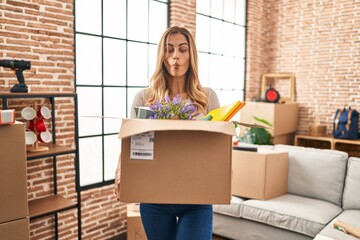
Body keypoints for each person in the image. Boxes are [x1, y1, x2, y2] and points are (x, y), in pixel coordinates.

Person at [114, 25, 220, 240]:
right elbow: (131, 141)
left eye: (182, 49)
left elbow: (217, 145)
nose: (175, 57)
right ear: (162, 55)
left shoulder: (207, 98)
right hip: (154, 198)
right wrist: (120, 171)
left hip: (196, 197)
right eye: (169, 49)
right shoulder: (144, 98)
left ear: (191, 55)